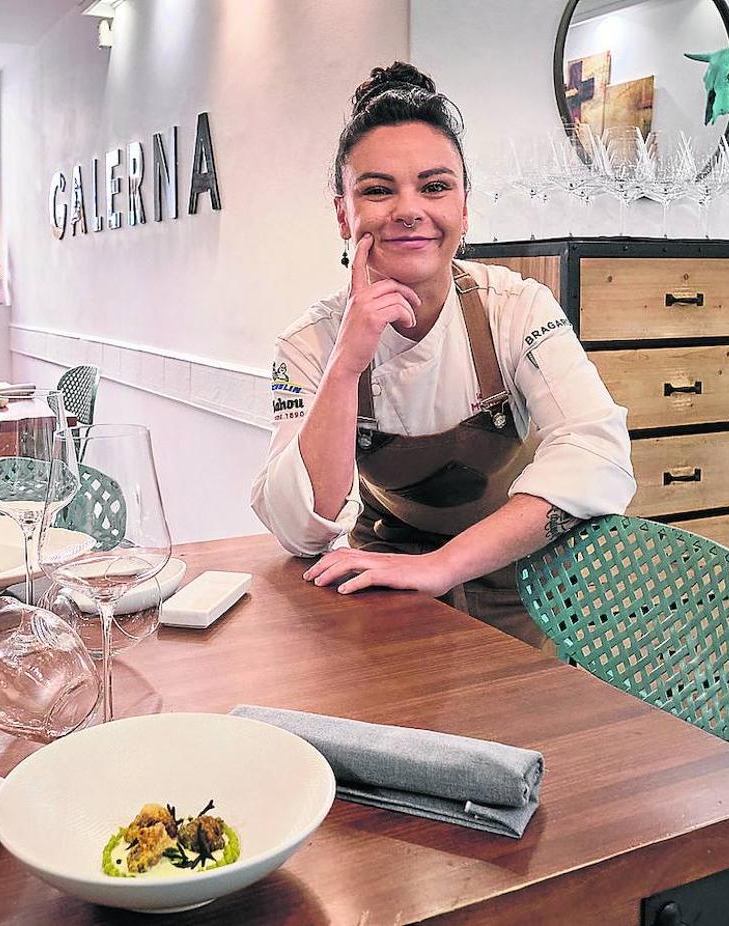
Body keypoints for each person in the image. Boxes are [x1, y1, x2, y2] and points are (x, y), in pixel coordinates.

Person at [250, 62, 635, 648]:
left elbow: (596, 452)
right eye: (377, 190)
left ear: (464, 207)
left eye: (434, 186)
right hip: (383, 577)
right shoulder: (308, 342)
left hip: (527, 579)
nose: (409, 209)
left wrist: (446, 564)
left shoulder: (518, 307)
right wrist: (347, 363)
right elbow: (300, 526)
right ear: (342, 214)